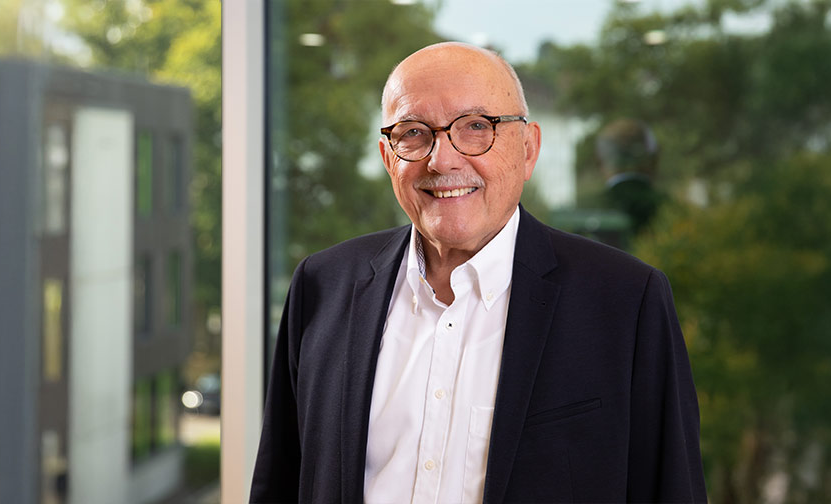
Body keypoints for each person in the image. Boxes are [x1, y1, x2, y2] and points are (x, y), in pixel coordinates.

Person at [249, 42, 706, 503]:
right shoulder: (322, 286)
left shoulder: (625, 302)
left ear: (528, 149)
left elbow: (671, 488)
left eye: (474, 127)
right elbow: (279, 484)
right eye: (413, 132)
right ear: (389, 158)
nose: (441, 160)